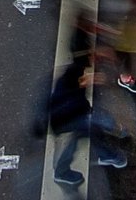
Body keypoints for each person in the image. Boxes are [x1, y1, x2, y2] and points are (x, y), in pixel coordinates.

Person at [39, 48, 128, 188]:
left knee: (91, 127)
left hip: (72, 115)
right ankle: (64, 172)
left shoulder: (73, 73)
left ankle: (107, 153)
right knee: (85, 131)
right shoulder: (70, 87)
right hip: (66, 122)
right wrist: (86, 83)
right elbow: (74, 106)